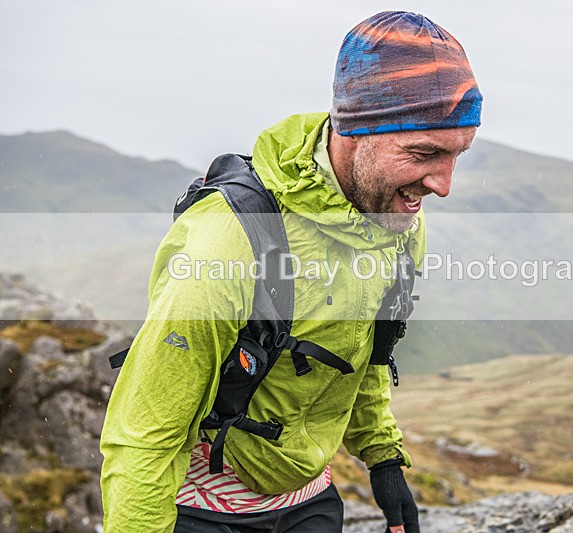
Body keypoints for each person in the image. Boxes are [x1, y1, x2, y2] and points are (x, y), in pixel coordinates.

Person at [100, 10, 481, 533]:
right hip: (202, 511)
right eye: (423, 153)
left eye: (459, 154)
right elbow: (145, 433)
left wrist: (383, 460)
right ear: (355, 129)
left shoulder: (395, 222)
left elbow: (367, 351)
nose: (443, 185)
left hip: (308, 503)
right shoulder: (230, 237)